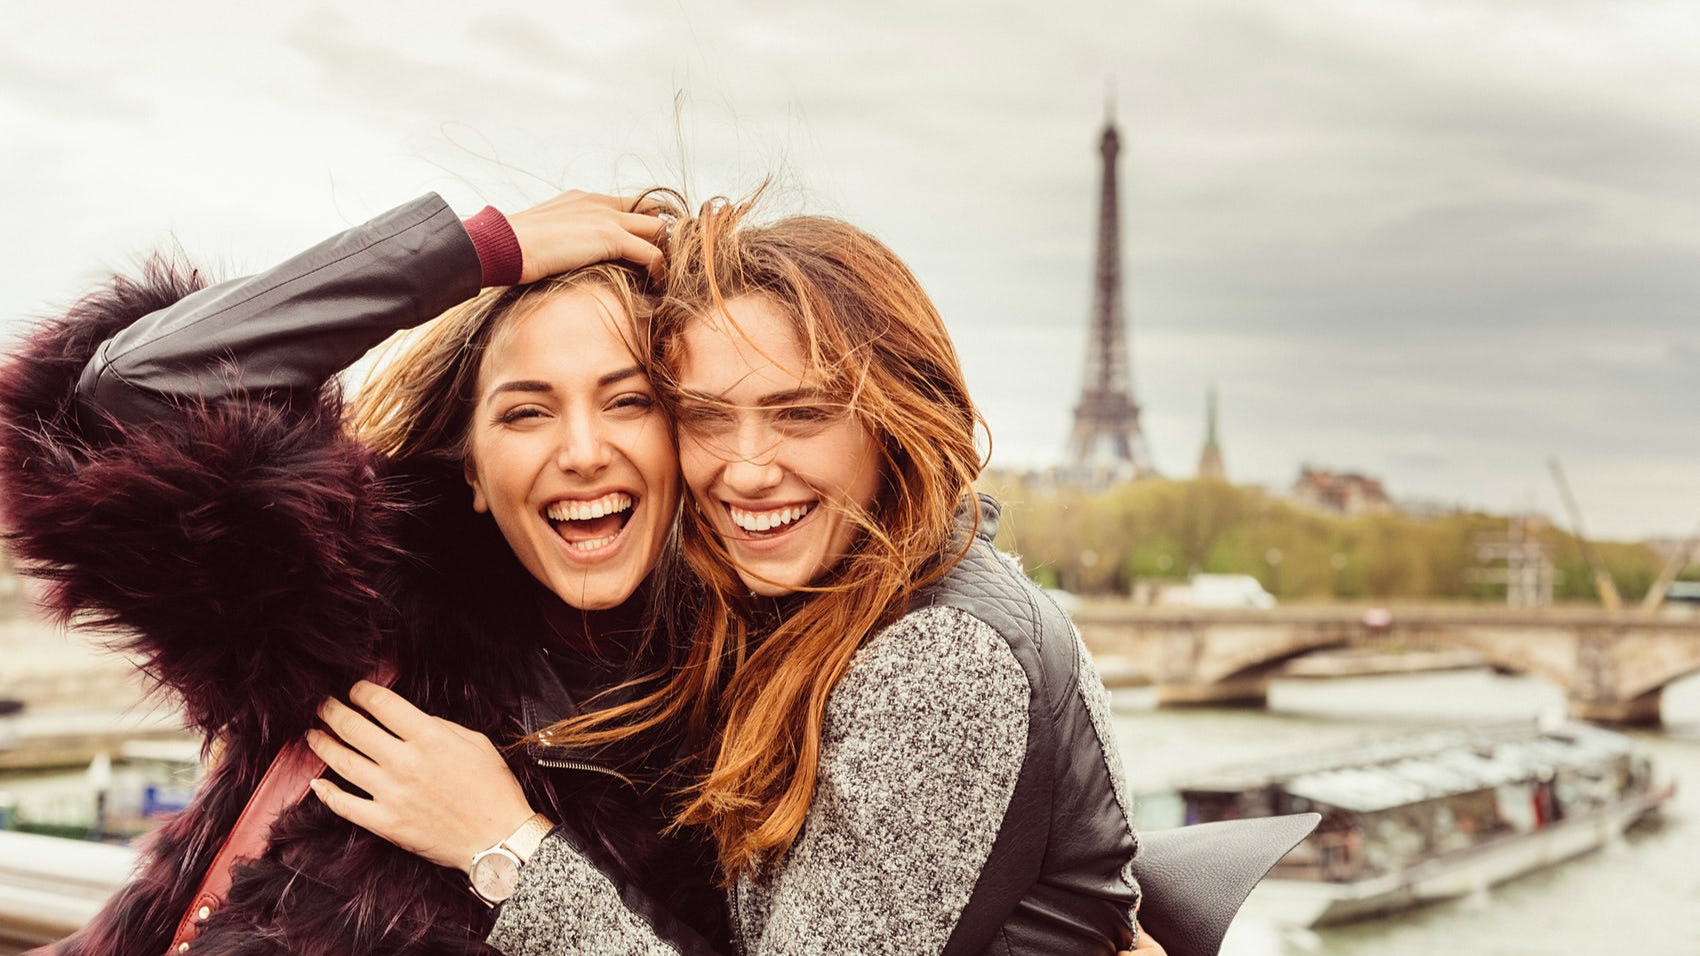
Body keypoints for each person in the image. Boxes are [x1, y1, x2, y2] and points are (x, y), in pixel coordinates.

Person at [309, 195, 1148, 955]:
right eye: (707, 416)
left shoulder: (935, 659)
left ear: (894, 419)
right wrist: (485, 249)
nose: (746, 471)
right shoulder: (812, 618)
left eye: (800, 413)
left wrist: (502, 845)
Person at [0, 191, 733, 955]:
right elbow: (131, 395)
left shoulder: (763, 708)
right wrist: (470, 251)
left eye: (628, 402)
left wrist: (509, 848)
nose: (582, 451)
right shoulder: (362, 606)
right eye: (525, 413)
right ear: (475, 472)